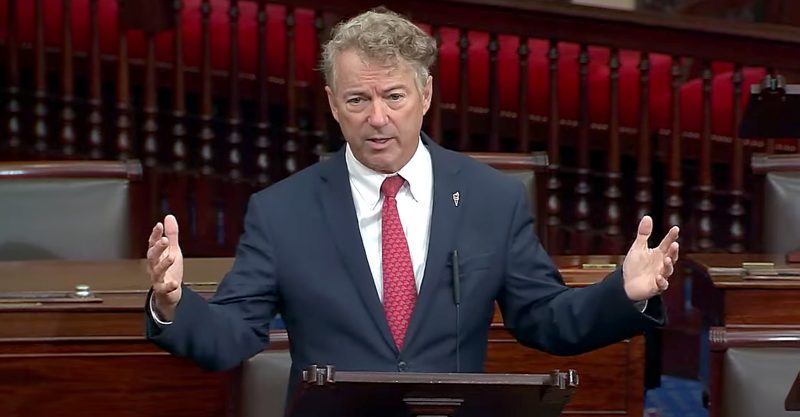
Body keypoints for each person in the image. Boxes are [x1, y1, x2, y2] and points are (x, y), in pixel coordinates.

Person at [145, 6, 679, 401]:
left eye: (394, 96)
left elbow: (545, 319)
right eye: (358, 99)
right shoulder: (282, 211)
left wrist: (624, 292)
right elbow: (232, 336)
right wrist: (173, 304)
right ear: (333, 104)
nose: (377, 118)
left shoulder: (491, 199)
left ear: (425, 95)